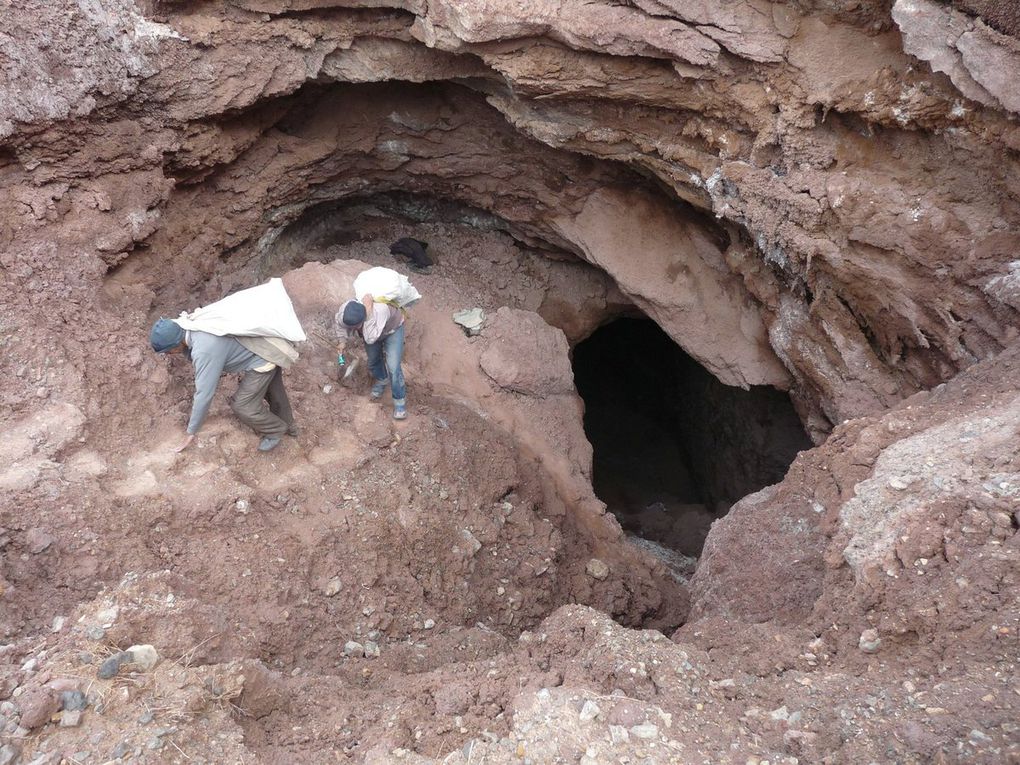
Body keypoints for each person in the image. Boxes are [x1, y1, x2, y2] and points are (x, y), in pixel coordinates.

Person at [149, 318, 298, 452]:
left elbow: (204, 393)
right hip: (266, 348)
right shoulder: (189, 324)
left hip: (263, 358)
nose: (169, 355)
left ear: (176, 344)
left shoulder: (204, 350)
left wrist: (191, 432)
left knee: (243, 406)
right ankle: (290, 426)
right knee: (274, 392)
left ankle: (275, 430)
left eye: (168, 352)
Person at [336, 293, 407, 419]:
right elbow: (341, 325)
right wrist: (342, 341)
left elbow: (370, 338)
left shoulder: (380, 311)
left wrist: (368, 316)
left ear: (363, 320)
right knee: (373, 361)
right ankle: (382, 379)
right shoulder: (345, 313)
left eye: (355, 327)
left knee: (393, 366)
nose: (353, 329)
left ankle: (399, 401)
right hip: (371, 331)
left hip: (392, 329)